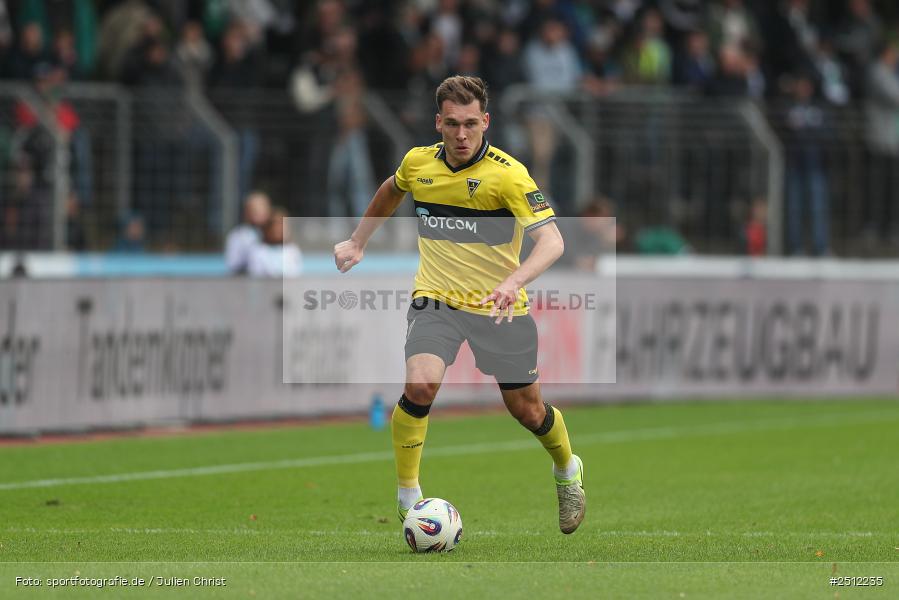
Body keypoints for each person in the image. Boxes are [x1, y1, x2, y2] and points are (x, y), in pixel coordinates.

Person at [333, 75, 585, 535]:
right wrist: (357, 240)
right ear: (439, 123)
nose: (462, 135)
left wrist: (515, 279)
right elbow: (392, 189)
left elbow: (552, 242)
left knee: (527, 411)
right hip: (437, 300)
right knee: (421, 385)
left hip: (498, 306)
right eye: (452, 124)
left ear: (486, 121)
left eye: (471, 124)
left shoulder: (509, 175)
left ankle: (567, 469)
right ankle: (408, 495)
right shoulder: (419, 164)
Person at [247, 206, 303, 277]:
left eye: (283, 225)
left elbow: (296, 274)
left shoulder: (293, 250)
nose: (279, 230)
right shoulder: (258, 251)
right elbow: (255, 275)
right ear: (267, 228)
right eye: (276, 226)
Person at [225, 191, 271, 274]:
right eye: (255, 211)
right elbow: (234, 264)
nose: (260, 215)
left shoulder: (279, 234)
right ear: (246, 212)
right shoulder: (238, 236)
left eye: (263, 209)